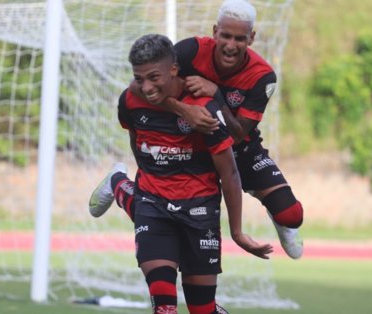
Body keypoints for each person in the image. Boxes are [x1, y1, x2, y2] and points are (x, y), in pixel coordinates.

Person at [90, 0, 304, 259]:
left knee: (292, 215)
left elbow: (238, 134)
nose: (230, 45)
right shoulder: (189, 51)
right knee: (159, 215)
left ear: (251, 38)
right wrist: (184, 110)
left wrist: (218, 96)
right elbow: (139, 87)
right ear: (215, 32)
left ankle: (275, 213)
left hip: (239, 147)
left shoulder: (262, 76)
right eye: (225, 35)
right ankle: (118, 183)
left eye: (239, 38)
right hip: (192, 147)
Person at [96, 33, 273, 314]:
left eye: (154, 77)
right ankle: (128, 190)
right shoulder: (130, 100)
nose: (147, 87)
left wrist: (237, 232)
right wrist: (151, 181)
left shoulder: (204, 109)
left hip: (200, 210)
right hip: (154, 206)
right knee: (165, 308)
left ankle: (118, 184)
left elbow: (229, 173)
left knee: (202, 309)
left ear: (174, 69)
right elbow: (137, 139)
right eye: (139, 78)